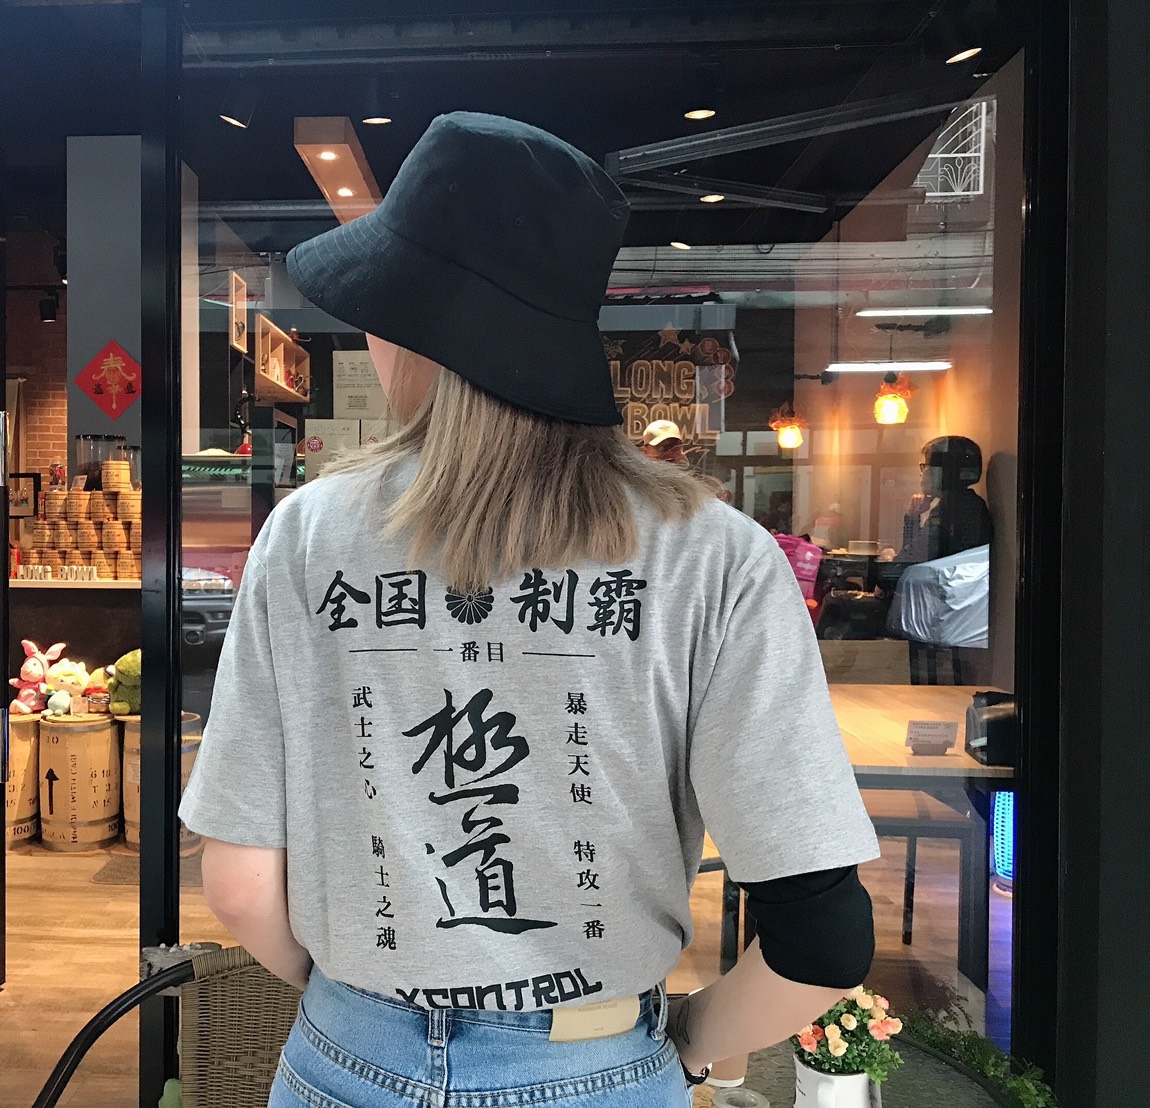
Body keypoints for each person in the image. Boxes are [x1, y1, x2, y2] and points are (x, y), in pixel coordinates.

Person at [180, 112, 879, 1108]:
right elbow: (822, 940)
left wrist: (365, 1008)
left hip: (346, 1061)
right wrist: (677, 1049)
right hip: (595, 1067)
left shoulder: (306, 535)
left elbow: (240, 883)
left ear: (414, 328)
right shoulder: (712, 556)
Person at [899, 435, 992, 563]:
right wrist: (913, 516)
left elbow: (910, 558)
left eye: (927, 466)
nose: (923, 473)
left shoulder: (954, 507)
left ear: (945, 471)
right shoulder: (964, 503)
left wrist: (912, 518)